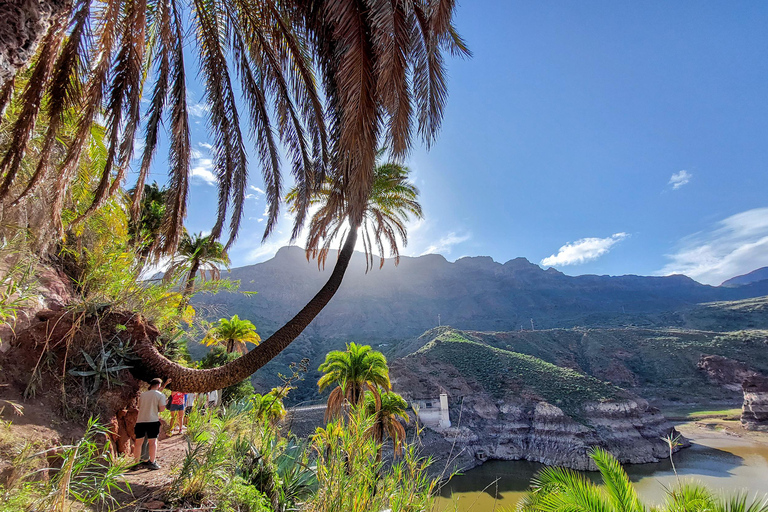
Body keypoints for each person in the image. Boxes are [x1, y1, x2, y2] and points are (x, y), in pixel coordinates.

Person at [133, 377, 169, 470]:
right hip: (152, 421)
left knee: (138, 443)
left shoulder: (143, 395)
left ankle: (136, 463)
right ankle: (152, 462)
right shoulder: (160, 395)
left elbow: (139, 406)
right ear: (158, 385)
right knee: (152, 442)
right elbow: (161, 409)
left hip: (140, 421)